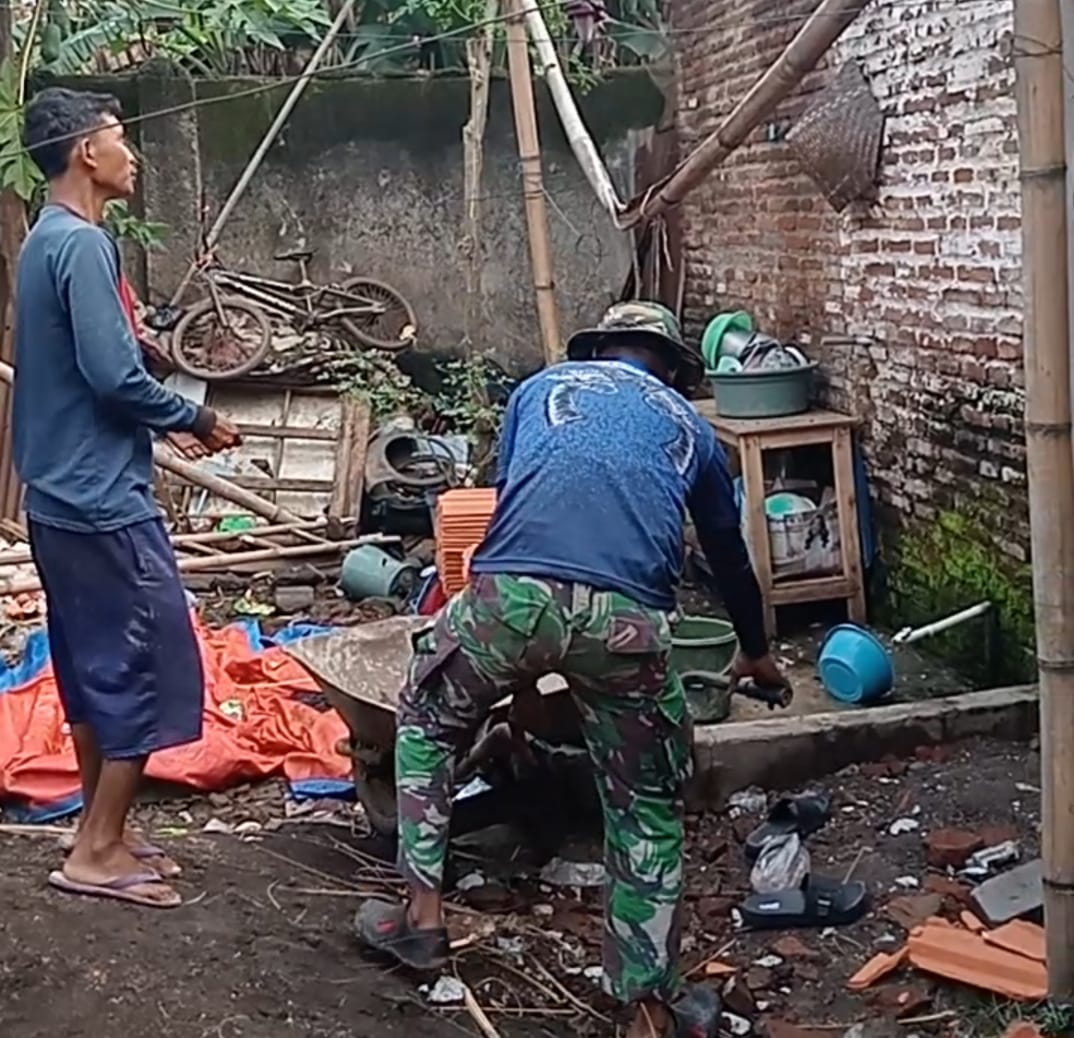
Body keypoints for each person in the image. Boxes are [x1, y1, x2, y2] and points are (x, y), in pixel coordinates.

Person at [355, 301, 789, 1037]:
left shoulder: (539, 390)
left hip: (512, 601)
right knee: (645, 801)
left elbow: (513, 504)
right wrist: (756, 651)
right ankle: (647, 1005)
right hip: (628, 622)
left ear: (599, 351)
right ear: (673, 370)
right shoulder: (691, 428)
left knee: (428, 722)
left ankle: (420, 920)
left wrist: (513, 658)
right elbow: (728, 554)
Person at [12, 87, 242, 909]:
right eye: (120, 139)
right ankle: (97, 851)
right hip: (101, 498)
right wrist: (195, 417)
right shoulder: (82, 246)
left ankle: (98, 828)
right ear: (86, 153)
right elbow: (112, 376)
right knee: (149, 662)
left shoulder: (45, 240)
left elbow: (96, 360)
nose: (132, 153)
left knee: (91, 665)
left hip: (56, 492)